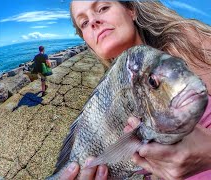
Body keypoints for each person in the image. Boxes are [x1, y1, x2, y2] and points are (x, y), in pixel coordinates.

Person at [59, 0, 211, 179]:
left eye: (103, 8)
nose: (93, 21)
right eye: (84, 23)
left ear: (131, 10)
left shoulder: (186, 43)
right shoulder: (110, 93)